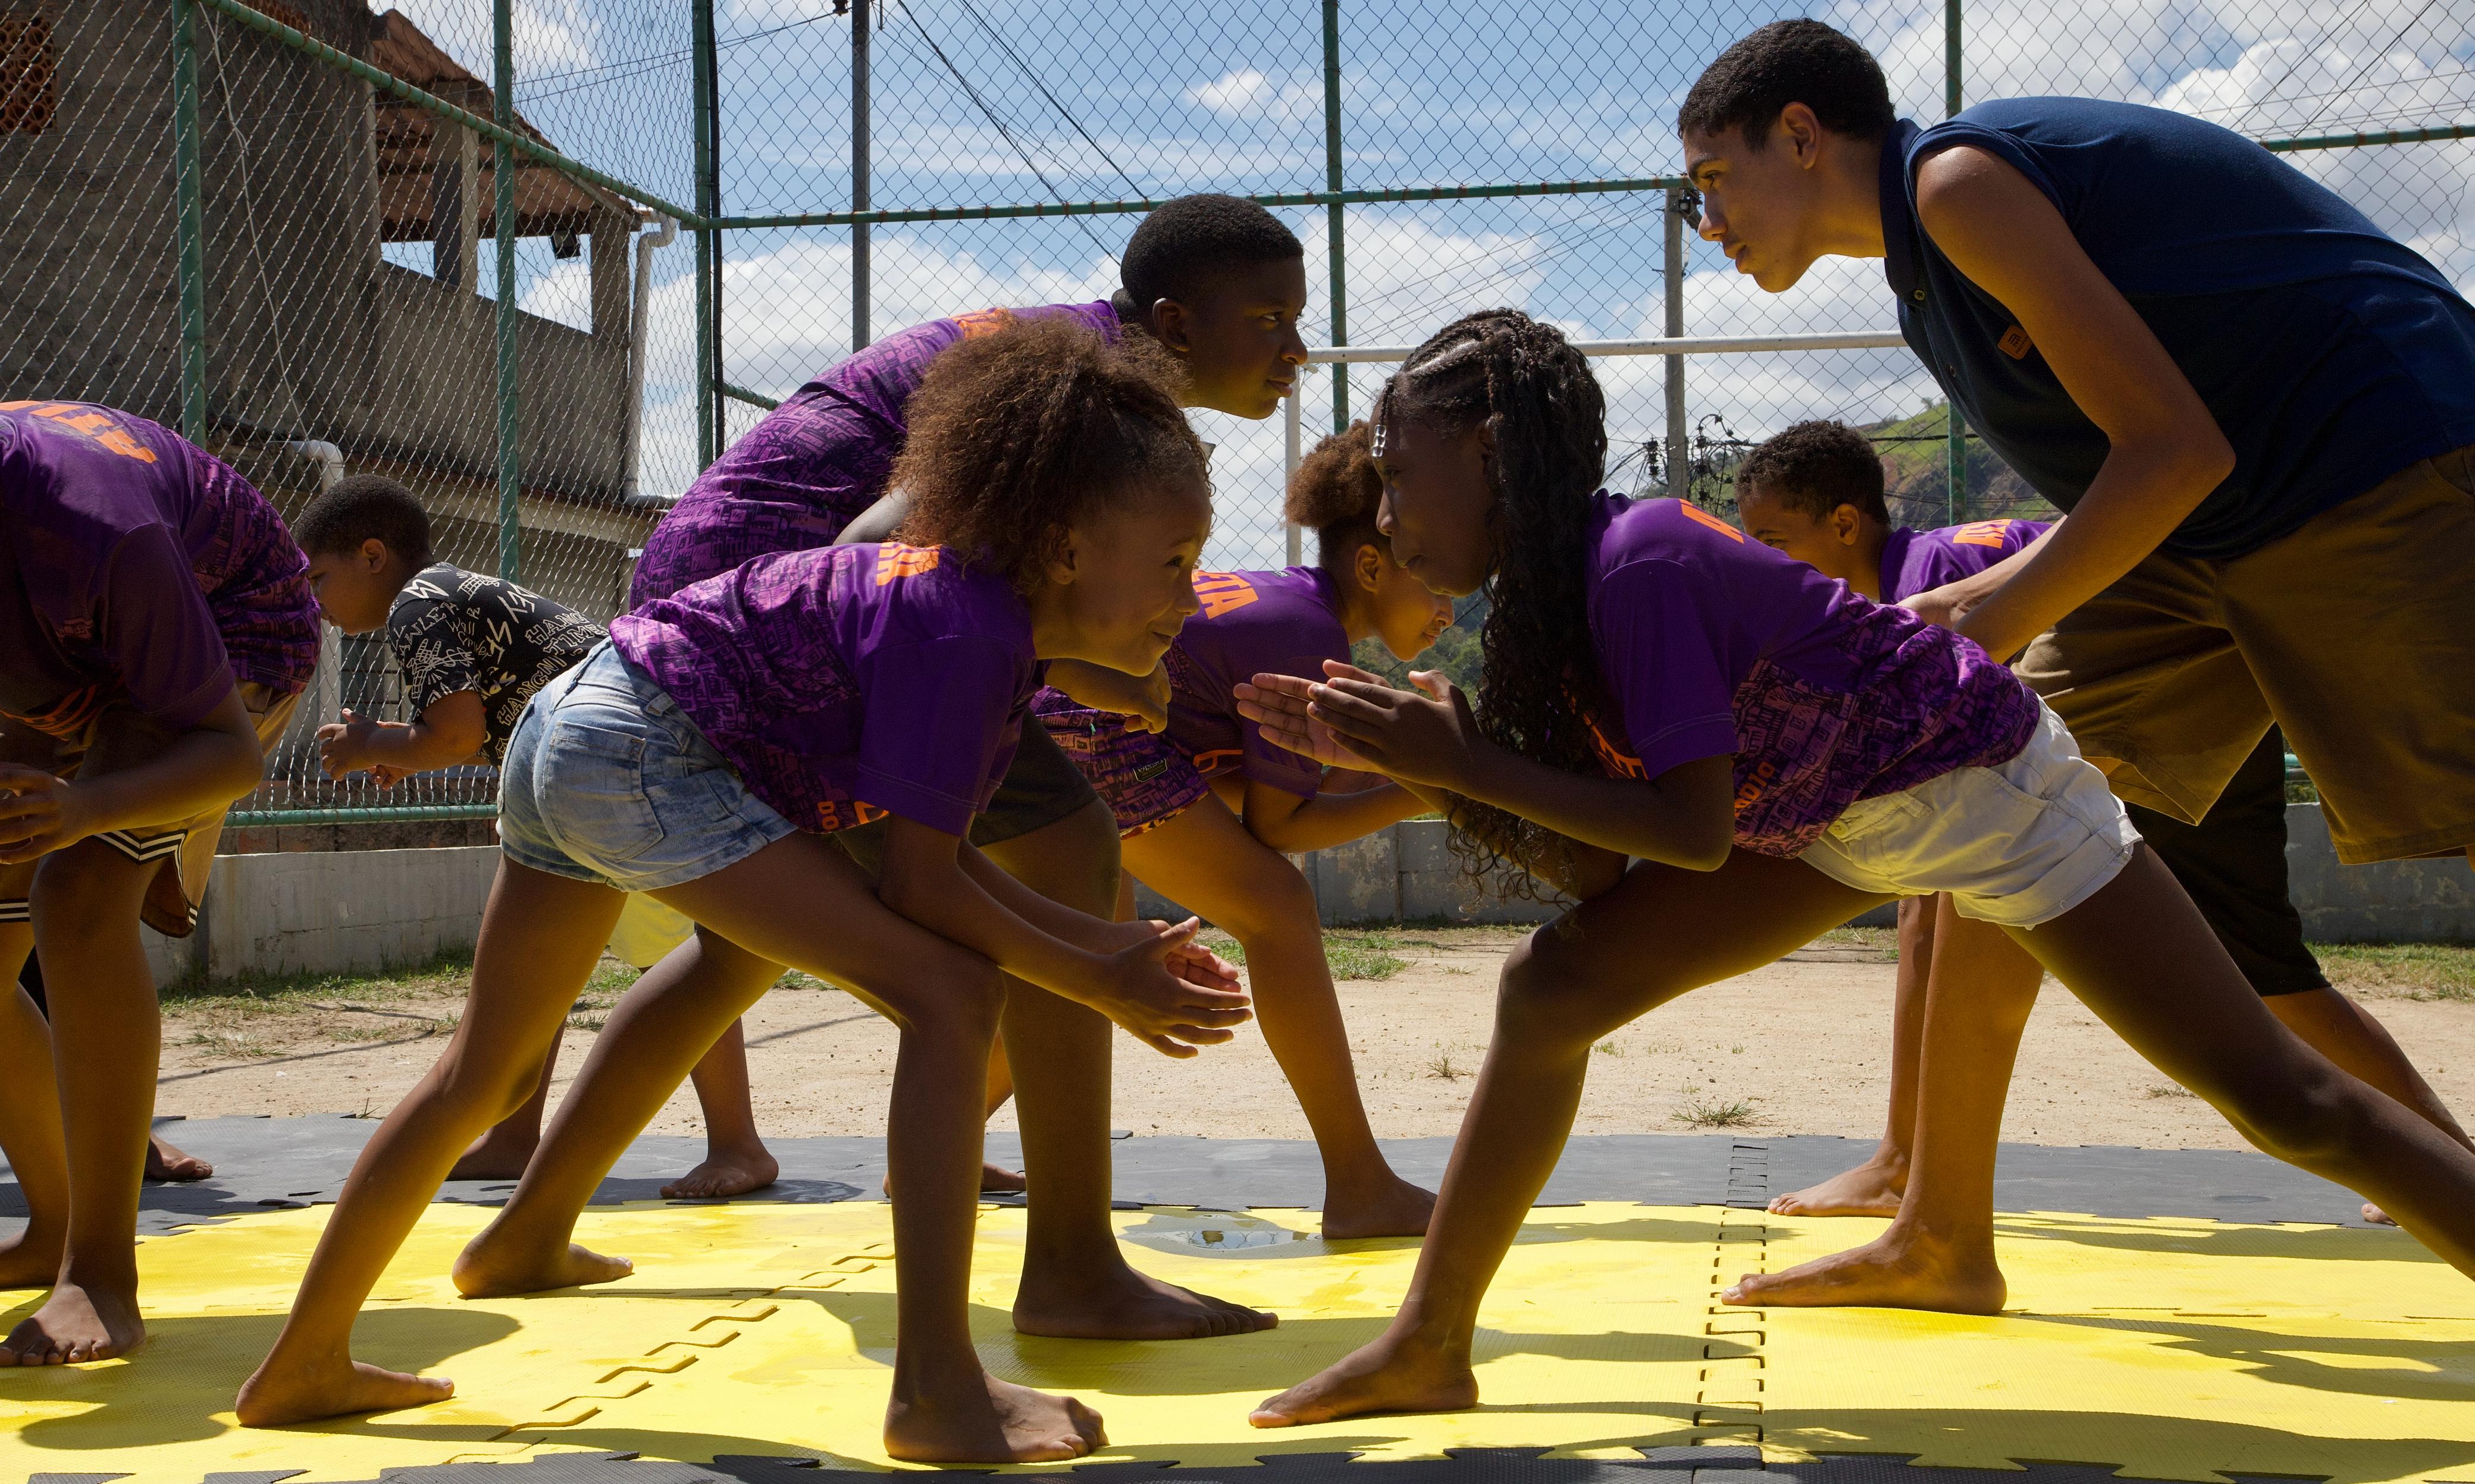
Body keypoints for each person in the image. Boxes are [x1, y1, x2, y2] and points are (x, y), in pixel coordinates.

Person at [1233, 311, 2475, 1429]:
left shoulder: (1641, 559)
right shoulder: (1548, 608)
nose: (1385, 518)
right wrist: (1436, 762)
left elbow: (1691, 830)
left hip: (1982, 784)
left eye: (1398, 476)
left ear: (1492, 448)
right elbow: (1605, 875)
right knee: (1553, 987)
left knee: (2282, 1101)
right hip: (1838, 814)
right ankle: (1427, 1340)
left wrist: (1466, 764)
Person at [235, 319, 1256, 1461]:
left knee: (482, 1070)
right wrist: (1097, 967)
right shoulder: (970, 635)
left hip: (572, 721)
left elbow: (940, 860)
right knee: (950, 996)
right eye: (1173, 562)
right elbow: (926, 887)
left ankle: (304, 1361)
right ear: (1065, 551)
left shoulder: (969, 610)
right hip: (641, 753)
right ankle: (935, 1393)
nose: (1193, 594)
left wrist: (1104, 950)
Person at [1675, 19, 2475, 1298]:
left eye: (1711, 181)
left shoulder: (1956, 186)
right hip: (2206, 533)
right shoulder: (1921, 285)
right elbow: (2158, 473)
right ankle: (1941, 1232)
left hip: (2370, 462)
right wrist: (1974, 619)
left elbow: (2175, 449)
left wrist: (1987, 610)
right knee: (2002, 800)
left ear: (1801, 135)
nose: (1703, 221)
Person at [452, 194, 1302, 1342]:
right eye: (1271, 320)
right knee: (1065, 856)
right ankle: (1071, 1266)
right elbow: (877, 560)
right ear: (1174, 324)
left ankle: (530, 1227)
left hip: (708, 609)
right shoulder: (1092, 394)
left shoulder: (1078, 372)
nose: (1296, 351)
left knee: (740, 947)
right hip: (760, 610)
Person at [1737, 423, 2473, 1225]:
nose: (1764, 562)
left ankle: (1903, 1164)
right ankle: (2444, 1153)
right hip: (2195, 675)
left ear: (1845, 524)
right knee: (2268, 970)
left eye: (1774, 540)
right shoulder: (1897, 582)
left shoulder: (1922, 582)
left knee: (1944, 899)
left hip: (2169, 682)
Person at [1032, 422, 1455, 1237]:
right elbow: (1280, 822)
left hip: (1057, 721)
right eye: (1434, 580)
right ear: (1371, 565)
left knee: (1085, 965)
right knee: (1280, 910)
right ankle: (1361, 1185)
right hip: (1092, 722)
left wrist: (1410, 775)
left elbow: (1230, 787)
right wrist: (1419, 795)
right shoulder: (1308, 637)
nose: (1448, 606)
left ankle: (952, 1142)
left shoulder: (1292, 602)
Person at [0, 399, 318, 1362]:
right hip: (64, 660)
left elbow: (230, 756)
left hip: (229, 635)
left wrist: (92, 809)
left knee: (77, 895)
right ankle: (52, 1230)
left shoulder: (97, 529)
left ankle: (101, 1274)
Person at [289, 474, 621, 1183]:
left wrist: (373, 747)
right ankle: (513, 1138)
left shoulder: (417, 604)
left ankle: (733, 1140)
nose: (312, 601)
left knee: (657, 962)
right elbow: (464, 734)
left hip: (611, 760)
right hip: (603, 756)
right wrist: (397, 748)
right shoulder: (442, 592)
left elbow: (451, 735)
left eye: (318, 577)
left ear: (372, 556)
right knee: (551, 965)